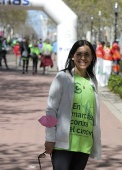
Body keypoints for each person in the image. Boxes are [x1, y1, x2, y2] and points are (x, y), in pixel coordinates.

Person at [44, 40, 101, 170]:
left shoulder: (93, 81)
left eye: (87, 54)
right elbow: (51, 109)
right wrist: (50, 138)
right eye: (79, 54)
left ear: (92, 58)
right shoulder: (62, 77)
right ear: (72, 56)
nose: (83, 58)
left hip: (84, 144)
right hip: (63, 144)